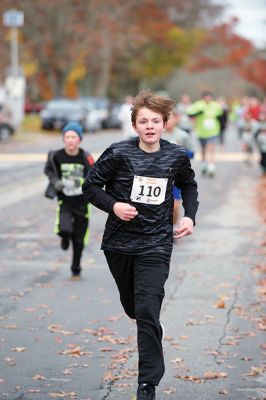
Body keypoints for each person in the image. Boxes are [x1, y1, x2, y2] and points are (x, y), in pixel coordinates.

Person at [82, 90, 199, 400]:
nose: (150, 126)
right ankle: (137, 310)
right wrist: (114, 206)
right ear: (134, 126)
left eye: (155, 121)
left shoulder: (176, 155)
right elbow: (90, 185)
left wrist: (190, 217)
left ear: (165, 124)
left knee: (147, 309)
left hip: (156, 244)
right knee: (134, 307)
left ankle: (147, 383)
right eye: (143, 121)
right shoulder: (118, 153)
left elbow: (188, 184)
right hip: (119, 245)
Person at [44, 121, 94, 277]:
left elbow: (95, 175)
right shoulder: (56, 156)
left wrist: (85, 183)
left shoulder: (86, 156)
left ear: (79, 139)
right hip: (64, 200)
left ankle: (76, 265)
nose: (70, 140)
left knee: (79, 239)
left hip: (82, 203)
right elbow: (49, 170)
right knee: (65, 229)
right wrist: (55, 182)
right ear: (63, 139)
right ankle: (65, 237)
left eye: (74, 136)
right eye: (67, 136)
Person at [164, 111, 194, 229]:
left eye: (171, 118)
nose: (169, 121)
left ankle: (173, 226)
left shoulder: (182, 135)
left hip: (177, 175)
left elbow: (192, 154)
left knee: (175, 205)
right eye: (166, 119)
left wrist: (181, 151)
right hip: (160, 175)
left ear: (176, 119)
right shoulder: (158, 134)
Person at [187, 90, 222, 177]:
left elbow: (221, 115)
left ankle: (211, 167)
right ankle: (204, 165)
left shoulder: (215, 105)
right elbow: (189, 113)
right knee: (203, 150)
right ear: (202, 98)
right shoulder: (198, 105)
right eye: (206, 97)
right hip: (201, 132)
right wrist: (198, 113)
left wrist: (221, 126)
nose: (207, 99)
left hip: (213, 131)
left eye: (209, 97)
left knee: (210, 148)